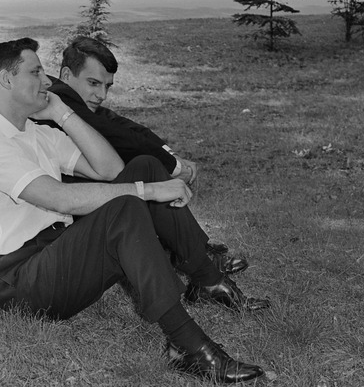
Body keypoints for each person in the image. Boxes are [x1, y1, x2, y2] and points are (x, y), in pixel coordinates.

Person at [0, 37, 268, 384]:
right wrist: (148, 192)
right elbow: (60, 198)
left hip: (58, 254)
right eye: (36, 72)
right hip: (21, 281)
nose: (46, 81)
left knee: (146, 166)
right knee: (125, 205)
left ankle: (208, 281)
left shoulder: (36, 134)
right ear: (6, 80)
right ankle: (189, 347)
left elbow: (110, 169)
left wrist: (61, 112)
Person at [43, 35, 252, 281]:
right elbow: (120, 137)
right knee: (147, 168)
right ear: (67, 75)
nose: (102, 95)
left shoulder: (76, 100)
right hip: (71, 211)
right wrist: (175, 168)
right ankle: (199, 262)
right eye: (93, 83)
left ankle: (193, 254)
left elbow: (129, 128)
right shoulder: (60, 99)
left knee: (147, 166)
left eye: (107, 86)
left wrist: (173, 157)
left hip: (90, 196)